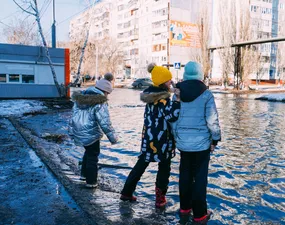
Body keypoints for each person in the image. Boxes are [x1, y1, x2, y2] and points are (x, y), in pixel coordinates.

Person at [120, 63, 181, 208]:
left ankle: (126, 192)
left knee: (141, 164)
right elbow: (172, 116)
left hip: (148, 138)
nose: (171, 82)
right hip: (162, 140)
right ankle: (160, 199)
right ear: (162, 83)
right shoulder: (163, 100)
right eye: (168, 80)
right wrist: (177, 100)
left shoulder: (151, 98)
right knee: (164, 168)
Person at [171, 61, 221, 224]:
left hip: (184, 144)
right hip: (201, 145)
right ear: (200, 74)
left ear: (185, 75)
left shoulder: (177, 93)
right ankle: (200, 214)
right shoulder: (207, 94)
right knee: (200, 178)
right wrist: (215, 138)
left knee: (185, 175)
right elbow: (212, 120)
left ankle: (185, 208)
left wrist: (177, 137)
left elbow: (173, 119)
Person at [69, 77, 118, 188]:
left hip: (79, 130)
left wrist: (71, 132)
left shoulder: (80, 97)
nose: (107, 96)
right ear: (105, 91)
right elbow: (105, 122)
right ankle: (91, 182)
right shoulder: (100, 102)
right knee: (93, 156)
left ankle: (83, 176)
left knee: (88, 152)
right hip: (91, 132)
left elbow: (73, 116)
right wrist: (113, 138)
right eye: (108, 93)